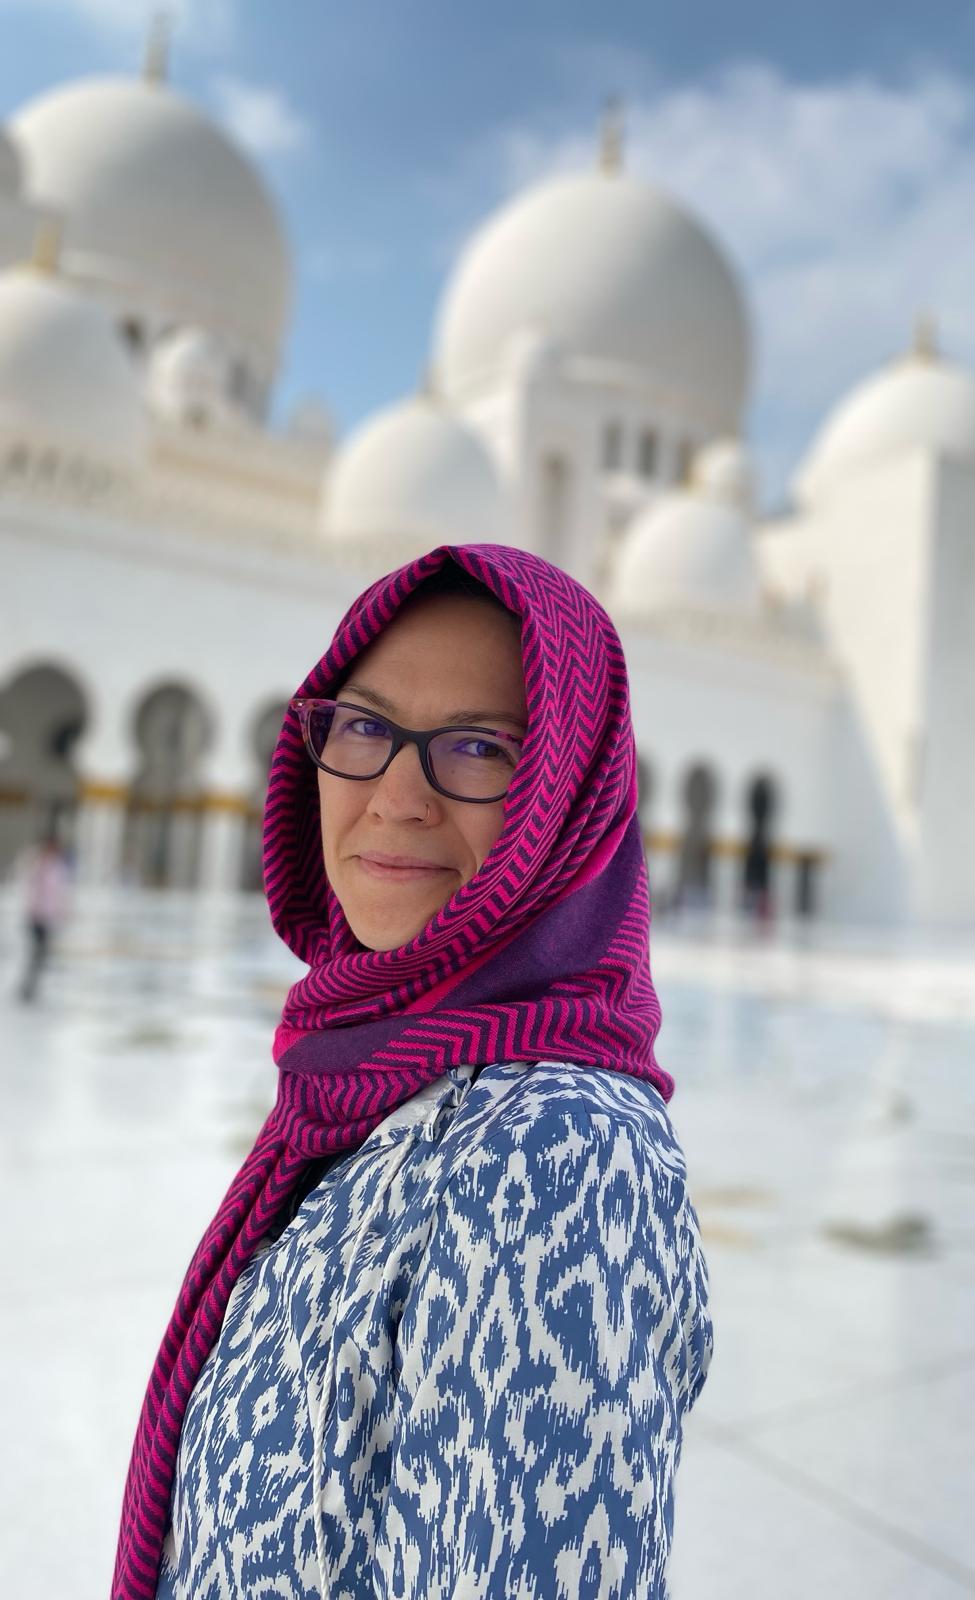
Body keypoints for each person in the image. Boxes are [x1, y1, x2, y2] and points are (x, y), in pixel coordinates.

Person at [111, 544, 714, 1600]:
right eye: (364, 727)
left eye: (479, 747)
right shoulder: (363, 1084)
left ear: (567, 797)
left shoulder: (559, 1152)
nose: (395, 796)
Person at [15, 830, 72, 1004]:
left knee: (42, 954)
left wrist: (62, 910)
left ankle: (31, 988)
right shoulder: (39, 864)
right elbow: (30, 886)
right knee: (37, 953)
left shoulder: (57, 866)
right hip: (36, 915)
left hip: (49, 916)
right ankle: (28, 989)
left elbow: (60, 891)